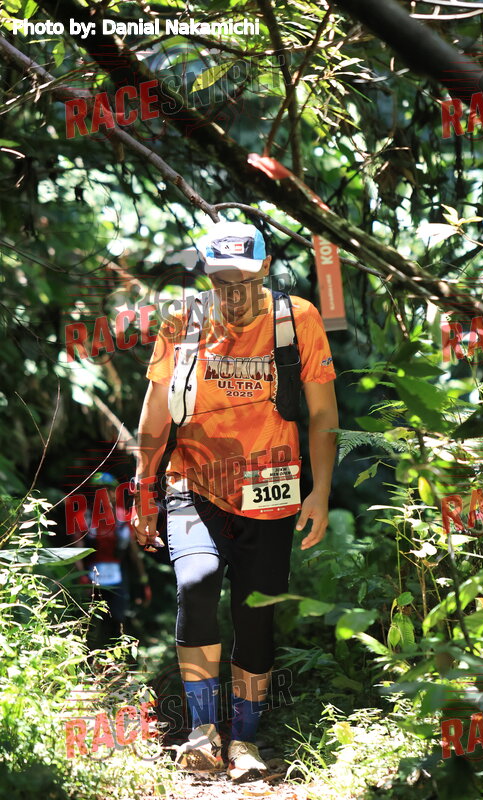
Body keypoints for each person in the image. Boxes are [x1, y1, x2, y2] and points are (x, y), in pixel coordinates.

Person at [131, 220, 338, 782]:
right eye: (221, 279)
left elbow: (323, 414)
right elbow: (155, 411)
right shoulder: (183, 321)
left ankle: (244, 740)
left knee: (255, 615)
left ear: (265, 268)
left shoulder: (298, 320)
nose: (233, 291)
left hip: (272, 490)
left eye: (244, 278)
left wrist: (320, 491)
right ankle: (202, 732)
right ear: (207, 275)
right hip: (193, 483)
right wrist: (143, 486)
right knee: (196, 585)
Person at [74, 471, 151, 647]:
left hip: (118, 576)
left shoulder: (123, 518)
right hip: (91, 577)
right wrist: (82, 576)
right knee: (91, 623)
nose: (104, 495)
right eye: (99, 490)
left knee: (118, 620)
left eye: (108, 490)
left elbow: (133, 554)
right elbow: (77, 551)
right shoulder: (83, 518)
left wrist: (143, 582)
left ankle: (118, 658)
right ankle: (89, 659)